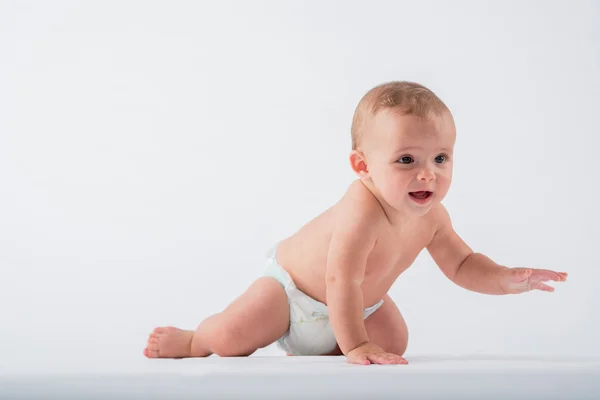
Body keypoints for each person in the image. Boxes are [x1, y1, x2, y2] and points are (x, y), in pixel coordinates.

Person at [143, 81, 568, 365]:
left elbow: (462, 264)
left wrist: (509, 278)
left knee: (395, 342)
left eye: (440, 158)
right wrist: (357, 343)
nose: (428, 174)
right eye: (407, 160)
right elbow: (340, 279)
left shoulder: (433, 218)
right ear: (362, 166)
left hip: (358, 305)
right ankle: (195, 340)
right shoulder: (361, 209)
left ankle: (329, 353)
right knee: (233, 337)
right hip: (294, 296)